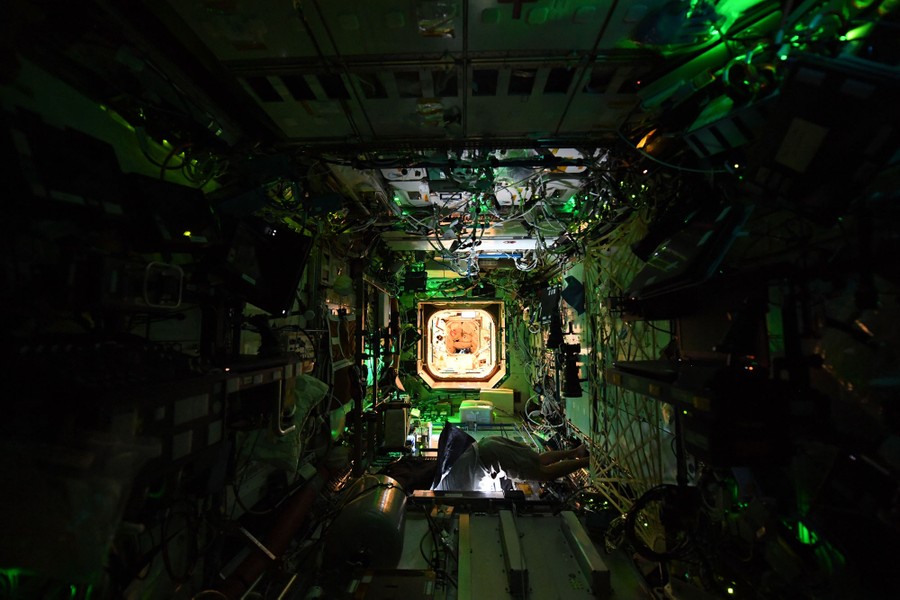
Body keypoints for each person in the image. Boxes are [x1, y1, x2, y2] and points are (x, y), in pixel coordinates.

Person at [433, 435, 589, 491]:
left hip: (491, 458)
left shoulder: (450, 498)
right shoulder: (443, 486)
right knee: (538, 459)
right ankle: (577, 452)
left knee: (544, 474)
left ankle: (587, 461)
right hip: (487, 444)